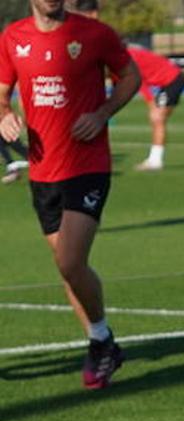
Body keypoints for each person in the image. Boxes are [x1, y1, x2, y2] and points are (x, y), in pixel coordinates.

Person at [0, 0, 140, 388]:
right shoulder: (12, 38)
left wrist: (101, 114)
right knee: (69, 270)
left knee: (69, 260)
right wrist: (4, 115)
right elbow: (1, 92)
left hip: (87, 165)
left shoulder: (94, 34)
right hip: (43, 171)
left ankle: (101, 340)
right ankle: (102, 344)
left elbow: (129, 77)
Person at [71, 0, 184, 171]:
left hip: (173, 79)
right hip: (167, 80)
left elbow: (139, 80)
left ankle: (156, 160)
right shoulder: (117, 61)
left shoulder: (128, 59)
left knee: (157, 118)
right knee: (156, 119)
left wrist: (151, 103)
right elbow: (118, 87)